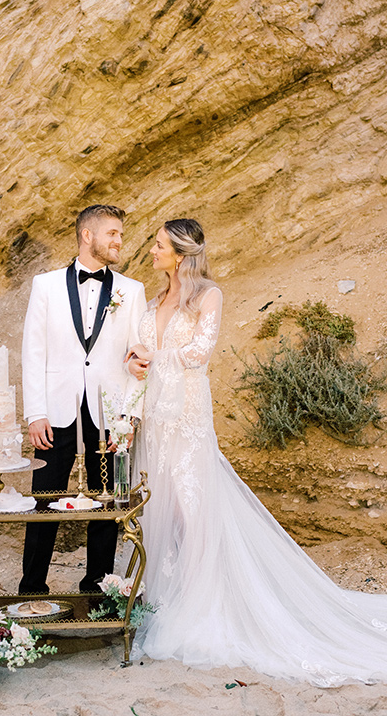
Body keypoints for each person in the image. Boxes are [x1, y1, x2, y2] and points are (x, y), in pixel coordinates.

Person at [126, 218, 387, 687]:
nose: (151, 250)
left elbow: (200, 353)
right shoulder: (151, 301)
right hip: (156, 421)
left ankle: (203, 604)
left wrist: (152, 356)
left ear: (181, 253)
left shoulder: (209, 295)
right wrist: (134, 360)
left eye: (159, 244)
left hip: (187, 417)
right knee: (160, 510)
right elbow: (140, 352)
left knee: (193, 508)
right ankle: (163, 600)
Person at [20, 204, 146, 594]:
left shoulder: (132, 290)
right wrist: (35, 412)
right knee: (45, 498)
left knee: (106, 501)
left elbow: (138, 359)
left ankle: (97, 587)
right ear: (87, 236)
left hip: (109, 413)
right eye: (113, 233)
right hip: (55, 408)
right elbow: (33, 352)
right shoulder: (46, 285)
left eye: (121, 234)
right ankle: (32, 589)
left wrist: (129, 419)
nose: (119, 241)